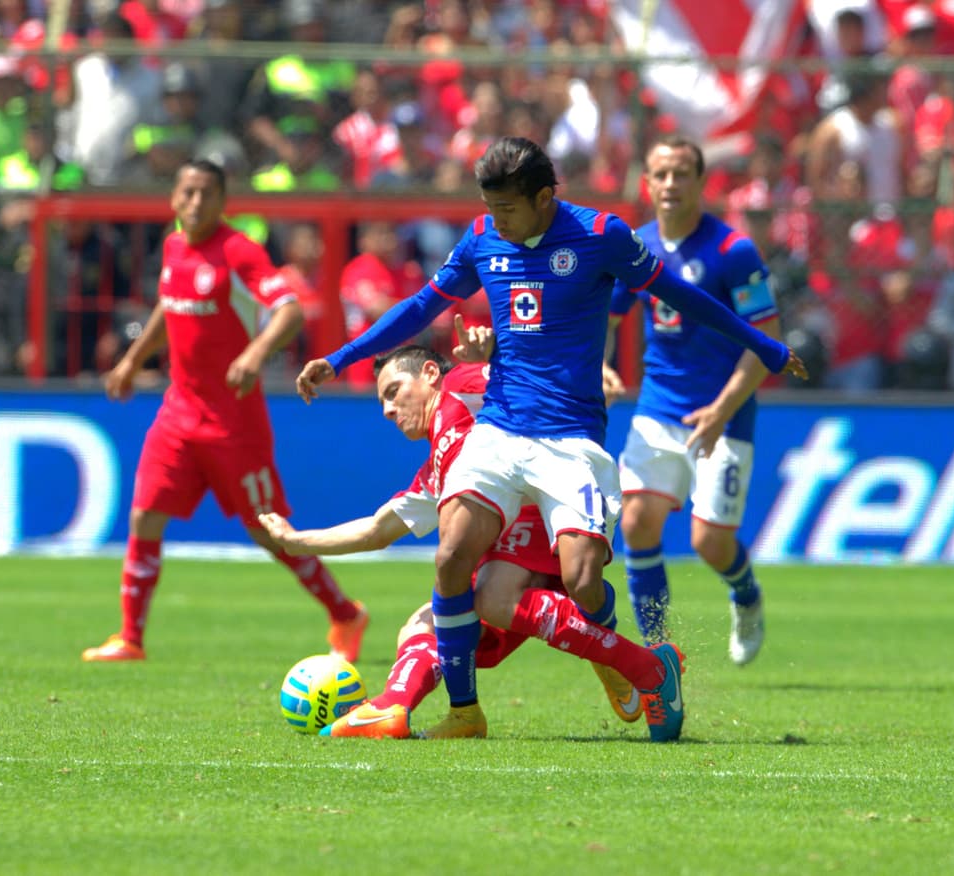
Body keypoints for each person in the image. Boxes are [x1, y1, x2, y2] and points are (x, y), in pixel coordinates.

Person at [296, 137, 806, 740]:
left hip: (571, 440)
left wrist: (767, 347)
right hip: (500, 431)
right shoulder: (483, 238)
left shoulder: (602, 235)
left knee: (584, 582)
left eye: (509, 209)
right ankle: (465, 713)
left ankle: (630, 665)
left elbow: (683, 297)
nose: (498, 221)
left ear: (544, 198)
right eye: (491, 207)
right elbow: (419, 306)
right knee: (453, 557)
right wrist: (342, 356)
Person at [262, 341, 679, 740]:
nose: (389, 410)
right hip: (506, 559)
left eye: (394, 392)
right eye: (382, 403)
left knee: (490, 595)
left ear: (429, 374)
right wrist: (297, 542)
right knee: (421, 626)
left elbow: (523, 376)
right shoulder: (436, 472)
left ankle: (638, 665)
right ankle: (400, 708)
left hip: (545, 509)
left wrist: (492, 353)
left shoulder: (461, 384)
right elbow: (376, 530)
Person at [82, 159, 368, 663]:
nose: (195, 203)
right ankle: (130, 637)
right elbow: (168, 308)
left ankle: (345, 612)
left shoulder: (238, 251)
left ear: (222, 201)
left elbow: (290, 310)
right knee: (145, 516)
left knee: (267, 532)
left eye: (206, 194)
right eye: (187, 193)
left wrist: (256, 353)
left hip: (234, 424)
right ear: (173, 197)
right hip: (178, 414)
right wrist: (131, 361)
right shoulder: (174, 248)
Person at [603, 136, 785, 663]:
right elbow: (605, 320)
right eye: (660, 174)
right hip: (659, 408)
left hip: (725, 415)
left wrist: (722, 410)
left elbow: (767, 341)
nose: (670, 185)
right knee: (635, 522)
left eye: (681, 174)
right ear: (647, 183)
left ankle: (746, 594)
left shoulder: (733, 252)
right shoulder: (636, 248)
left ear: (702, 183)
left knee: (710, 543)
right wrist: (602, 363)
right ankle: (658, 651)